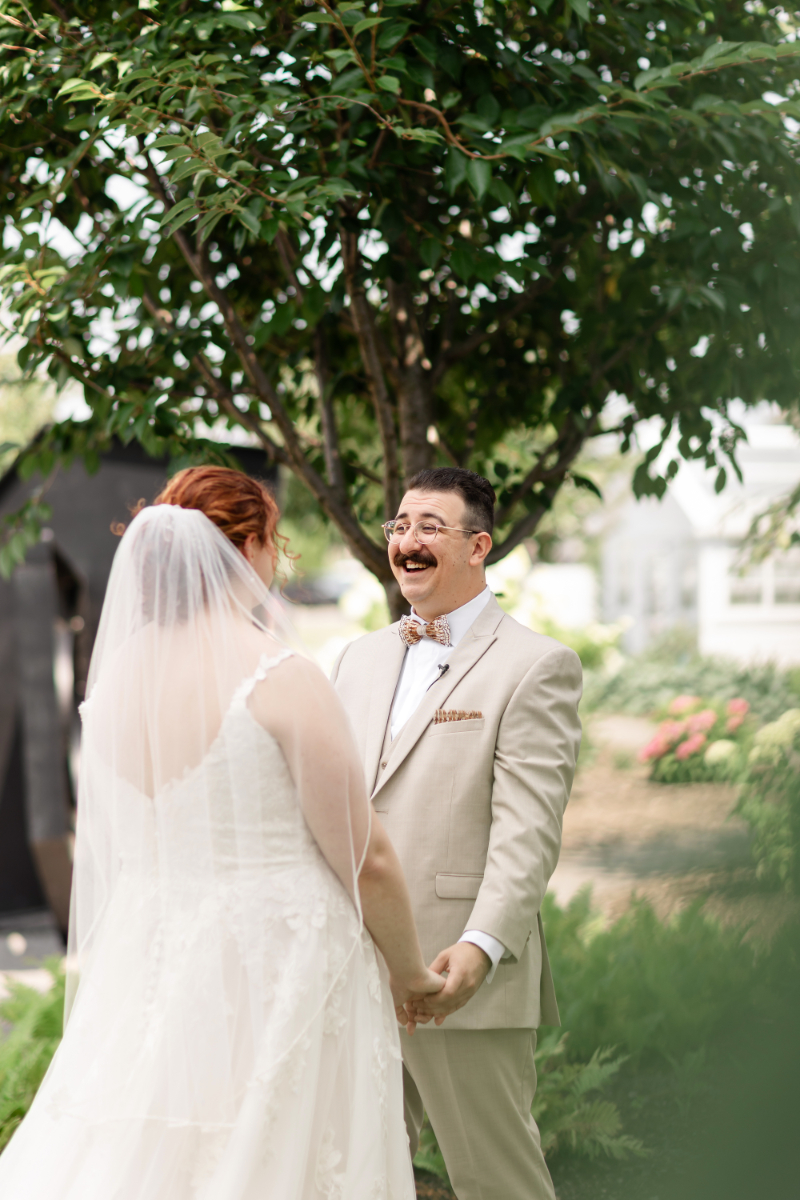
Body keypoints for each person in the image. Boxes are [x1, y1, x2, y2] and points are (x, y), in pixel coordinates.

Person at [0, 466, 443, 1200]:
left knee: (160, 1150)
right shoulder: (281, 673)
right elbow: (367, 858)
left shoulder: (113, 688)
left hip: (156, 959)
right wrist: (413, 974)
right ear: (246, 547)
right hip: (284, 966)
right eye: (273, 541)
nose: (277, 561)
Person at [332, 467, 582, 1200]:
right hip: (353, 967)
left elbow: (528, 830)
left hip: (457, 973)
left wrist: (481, 948)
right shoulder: (358, 658)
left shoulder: (536, 665)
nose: (408, 541)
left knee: (496, 1180)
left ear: (480, 546)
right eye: (399, 526)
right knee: (361, 1176)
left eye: (429, 527)